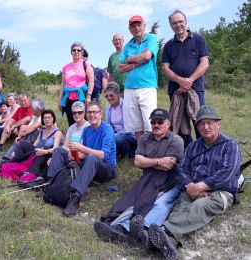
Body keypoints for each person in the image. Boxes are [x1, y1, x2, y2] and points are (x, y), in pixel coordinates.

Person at [148, 105, 241, 260]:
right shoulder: (193, 146)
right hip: (192, 188)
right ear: (197, 126)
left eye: (210, 122)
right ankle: (170, 241)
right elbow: (182, 170)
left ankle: (165, 232)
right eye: (201, 123)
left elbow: (227, 173)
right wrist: (191, 186)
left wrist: (200, 187)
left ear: (218, 124)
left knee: (199, 206)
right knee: (182, 205)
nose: (206, 127)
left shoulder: (230, 145)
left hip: (221, 192)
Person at [94, 108, 184, 249]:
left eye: (160, 122)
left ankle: (124, 228)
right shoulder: (144, 139)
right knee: (131, 197)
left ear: (169, 123)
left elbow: (168, 166)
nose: (156, 125)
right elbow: (137, 162)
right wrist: (158, 161)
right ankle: (114, 222)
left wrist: (148, 161)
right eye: (153, 122)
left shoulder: (176, 140)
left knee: (147, 200)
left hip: (169, 180)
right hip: (148, 177)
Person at [48, 101, 116, 217]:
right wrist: (74, 155)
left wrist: (82, 148)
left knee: (92, 157)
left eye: (95, 112)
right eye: (89, 112)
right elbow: (83, 154)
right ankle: (51, 186)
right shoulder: (87, 130)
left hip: (106, 169)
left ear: (100, 114)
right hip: (89, 162)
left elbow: (103, 155)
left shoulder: (107, 129)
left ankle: (75, 197)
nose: (92, 115)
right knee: (59, 151)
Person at [162, 10, 209, 147]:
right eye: (174, 23)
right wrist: (179, 80)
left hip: (196, 90)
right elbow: (165, 68)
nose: (178, 25)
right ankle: (187, 154)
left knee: (200, 121)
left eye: (180, 21)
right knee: (180, 125)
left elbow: (204, 63)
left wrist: (189, 81)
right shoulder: (168, 45)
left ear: (186, 22)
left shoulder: (198, 39)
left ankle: (204, 152)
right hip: (176, 91)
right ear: (171, 25)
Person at [118, 15, 159, 141]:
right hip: (130, 88)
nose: (136, 28)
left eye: (138, 24)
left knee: (150, 123)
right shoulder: (128, 45)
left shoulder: (151, 38)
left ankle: (153, 153)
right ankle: (141, 152)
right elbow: (120, 68)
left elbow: (147, 56)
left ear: (144, 26)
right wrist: (137, 61)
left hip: (147, 87)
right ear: (130, 29)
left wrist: (129, 60)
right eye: (133, 26)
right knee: (136, 126)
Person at [0, 109, 63, 182]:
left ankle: (29, 173)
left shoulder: (57, 133)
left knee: (43, 148)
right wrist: (18, 155)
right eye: (45, 118)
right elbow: (33, 147)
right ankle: (14, 160)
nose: (47, 119)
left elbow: (56, 149)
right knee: (22, 143)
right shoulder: (42, 133)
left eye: (49, 117)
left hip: (47, 158)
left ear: (53, 119)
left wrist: (45, 151)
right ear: (42, 120)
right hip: (37, 156)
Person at [0, 99, 45, 164]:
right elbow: (28, 126)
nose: (31, 110)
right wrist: (19, 136)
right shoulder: (35, 115)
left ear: (38, 109)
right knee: (22, 132)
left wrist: (21, 136)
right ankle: (6, 158)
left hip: (42, 139)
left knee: (26, 136)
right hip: (35, 136)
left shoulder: (43, 116)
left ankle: (11, 159)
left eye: (33, 109)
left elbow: (33, 127)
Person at [58, 42, 94, 126]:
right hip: (68, 99)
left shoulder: (86, 64)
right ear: (71, 52)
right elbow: (63, 84)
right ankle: (73, 139)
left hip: (82, 98)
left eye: (79, 50)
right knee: (72, 123)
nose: (76, 52)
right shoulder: (66, 67)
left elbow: (91, 81)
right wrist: (60, 100)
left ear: (82, 52)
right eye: (74, 50)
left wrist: (88, 96)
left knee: (84, 123)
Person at [104, 82, 137, 158]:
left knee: (117, 139)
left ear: (117, 94)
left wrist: (114, 136)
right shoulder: (108, 109)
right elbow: (108, 127)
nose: (109, 98)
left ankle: (131, 154)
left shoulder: (126, 105)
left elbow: (130, 129)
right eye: (107, 96)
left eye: (111, 95)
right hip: (116, 135)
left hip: (129, 135)